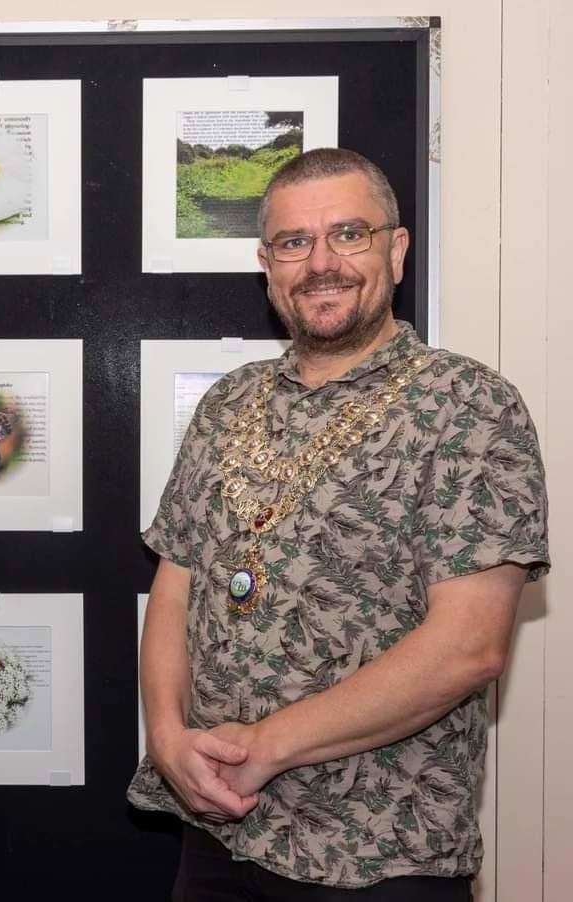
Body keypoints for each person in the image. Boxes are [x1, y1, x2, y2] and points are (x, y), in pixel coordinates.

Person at [130, 148, 549, 901]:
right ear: (267, 264)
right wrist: (165, 737)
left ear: (396, 248)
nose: (321, 262)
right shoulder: (229, 403)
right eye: (294, 243)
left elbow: (470, 648)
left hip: (381, 850)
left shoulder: (469, 406)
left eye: (348, 234)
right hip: (220, 835)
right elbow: (176, 581)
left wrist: (266, 748)